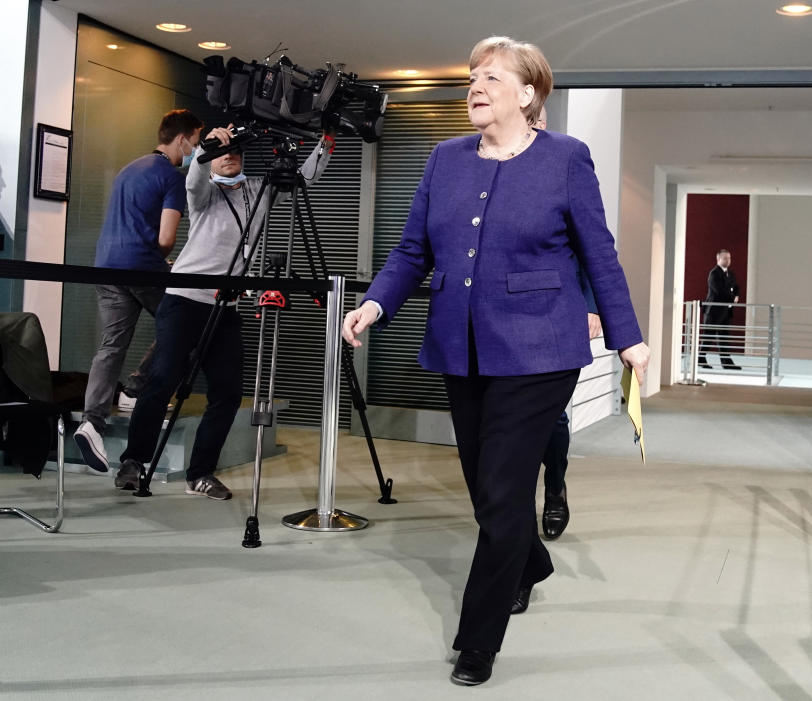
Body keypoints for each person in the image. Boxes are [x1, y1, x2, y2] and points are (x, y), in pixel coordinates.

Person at [342, 36, 650, 686]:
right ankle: (530, 561)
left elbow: (599, 254)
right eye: (472, 77)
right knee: (488, 492)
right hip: (461, 346)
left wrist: (627, 336)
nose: (475, 86)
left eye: (490, 77)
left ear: (528, 93)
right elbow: (409, 251)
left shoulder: (566, 158)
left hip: (540, 348)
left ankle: (477, 640)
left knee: (504, 491)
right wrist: (375, 305)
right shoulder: (444, 159)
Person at [113, 126, 334, 498]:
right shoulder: (203, 192)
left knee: (229, 393)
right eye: (221, 152)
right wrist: (206, 145)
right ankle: (133, 461)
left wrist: (325, 143)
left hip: (227, 304)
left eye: (235, 151)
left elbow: (303, 179)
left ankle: (200, 473)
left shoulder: (258, 193)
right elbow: (196, 176)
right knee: (163, 379)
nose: (229, 155)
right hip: (184, 299)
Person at [74, 109, 203, 474]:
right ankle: (134, 388)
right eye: (196, 141)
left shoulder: (129, 169)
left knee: (111, 344)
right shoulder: (171, 178)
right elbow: (165, 239)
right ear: (182, 139)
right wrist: (165, 261)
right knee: (182, 327)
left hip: (106, 264)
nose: (196, 149)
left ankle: (92, 422)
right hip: (142, 267)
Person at [533, 106, 603, 541]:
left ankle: (554, 487)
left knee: (554, 420)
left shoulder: (565, 168)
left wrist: (594, 307)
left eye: (538, 122)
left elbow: (594, 250)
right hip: (509, 322)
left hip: (559, 318)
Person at [698, 248, 741, 370]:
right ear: (718, 259)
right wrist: (732, 298)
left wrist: (736, 295)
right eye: (725, 258)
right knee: (709, 336)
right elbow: (718, 291)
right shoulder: (714, 273)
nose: (728, 260)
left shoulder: (730, 273)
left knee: (724, 337)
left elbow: (736, 287)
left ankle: (726, 361)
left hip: (726, 311)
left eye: (729, 258)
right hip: (713, 311)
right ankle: (701, 358)